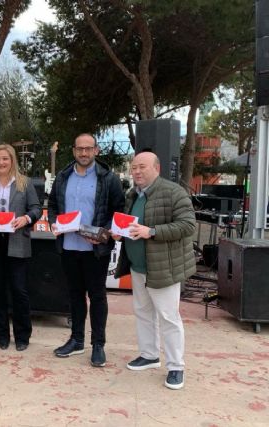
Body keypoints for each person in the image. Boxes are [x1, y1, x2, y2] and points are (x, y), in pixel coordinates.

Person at [114, 151, 196, 390]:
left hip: (164, 267)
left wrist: (152, 231)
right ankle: (149, 355)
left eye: (142, 167)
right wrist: (120, 232)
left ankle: (176, 367)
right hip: (139, 267)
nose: (137, 171)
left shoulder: (173, 192)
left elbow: (188, 225)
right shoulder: (132, 195)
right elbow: (132, 226)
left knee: (169, 317)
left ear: (156, 169)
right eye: (134, 167)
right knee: (143, 312)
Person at [47, 133, 125, 367]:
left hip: (95, 251)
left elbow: (118, 210)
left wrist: (103, 233)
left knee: (97, 296)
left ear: (96, 151)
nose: (83, 153)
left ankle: (98, 344)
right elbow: (52, 206)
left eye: (88, 149)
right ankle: (77, 340)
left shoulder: (108, 178)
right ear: (73, 151)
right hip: (69, 247)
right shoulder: (63, 176)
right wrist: (53, 222)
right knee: (74, 295)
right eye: (79, 149)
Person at [0, 144, 42, 351]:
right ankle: (1, 335)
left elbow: (36, 208)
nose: (1, 162)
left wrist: (26, 218)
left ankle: (22, 336)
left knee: (19, 291)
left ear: (13, 160)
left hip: (17, 242)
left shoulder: (24, 183)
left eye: (5, 159)